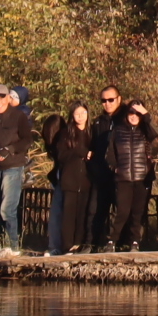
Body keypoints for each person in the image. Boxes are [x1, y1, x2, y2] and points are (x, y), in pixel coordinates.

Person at [0, 87, 34, 257]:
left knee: (7, 209)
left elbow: (27, 139)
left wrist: (10, 149)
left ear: (8, 98)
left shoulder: (19, 116)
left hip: (13, 167)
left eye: (2, 98)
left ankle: (13, 246)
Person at [105, 101, 158, 251]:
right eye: (131, 113)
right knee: (122, 211)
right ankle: (112, 241)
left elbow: (154, 134)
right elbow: (110, 153)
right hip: (124, 178)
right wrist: (115, 168)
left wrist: (146, 114)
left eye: (137, 113)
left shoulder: (145, 130)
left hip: (142, 177)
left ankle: (135, 241)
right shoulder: (118, 130)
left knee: (138, 211)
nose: (134, 116)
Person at [46, 104, 98, 254]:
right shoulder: (66, 134)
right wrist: (80, 151)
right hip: (70, 179)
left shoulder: (91, 133)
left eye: (83, 113)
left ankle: (78, 244)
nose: (81, 116)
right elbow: (61, 155)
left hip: (87, 179)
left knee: (82, 214)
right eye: (77, 113)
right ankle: (66, 245)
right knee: (68, 215)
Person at [87, 86, 123, 249]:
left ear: (118, 99)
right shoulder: (98, 122)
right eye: (103, 101)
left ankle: (119, 242)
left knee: (120, 209)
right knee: (96, 210)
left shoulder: (124, 119)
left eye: (111, 100)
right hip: (101, 172)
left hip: (119, 172)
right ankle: (92, 242)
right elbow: (93, 144)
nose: (107, 104)